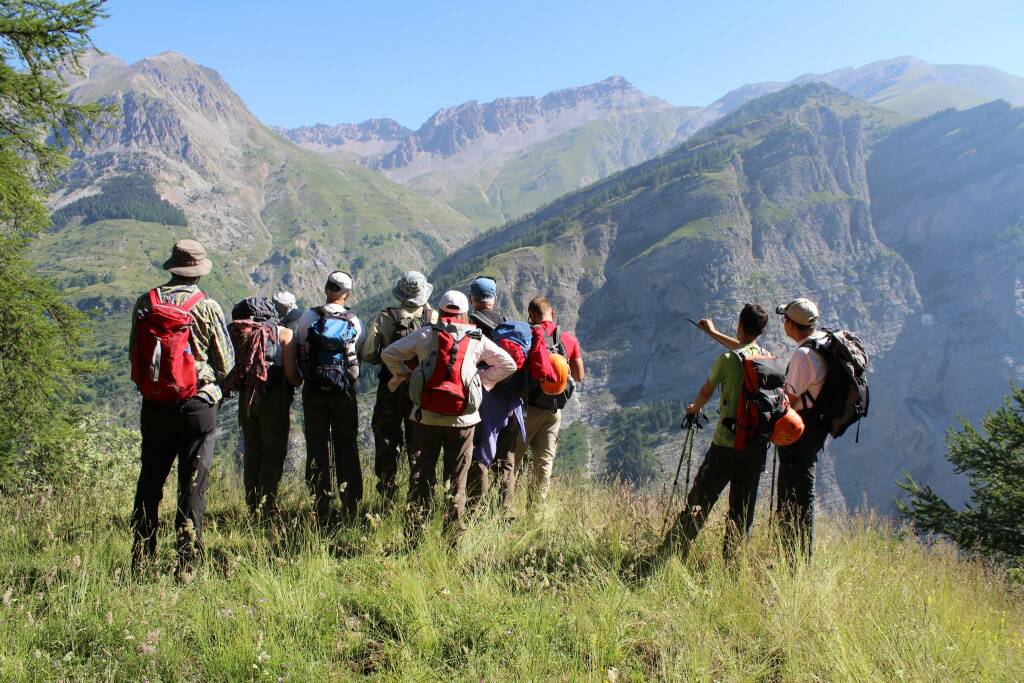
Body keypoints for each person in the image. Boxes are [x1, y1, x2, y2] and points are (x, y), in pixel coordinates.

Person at [128, 239, 234, 581]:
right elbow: (227, 363)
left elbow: (135, 355)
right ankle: (186, 564)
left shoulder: (147, 303)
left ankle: (141, 560)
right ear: (198, 273)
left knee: (150, 480)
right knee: (192, 484)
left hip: (156, 404)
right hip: (197, 405)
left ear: (172, 267)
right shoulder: (207, 307)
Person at [381, 290, 516, 539]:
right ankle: (453, 537)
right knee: (457, 480)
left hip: (426, 417)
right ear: (465, 314)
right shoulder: (476, 339)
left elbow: (388, 354)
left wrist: (407, 377)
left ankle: (415, 536)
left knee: (421, 475)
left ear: (441, 312)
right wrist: (481, 382)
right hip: (463, 420)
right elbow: (509, 364)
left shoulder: (426, 334)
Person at [658, 304, 771, 560]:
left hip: (727, 443)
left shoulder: (727, 360)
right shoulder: (766, 357)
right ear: (761, 331)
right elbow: (742, 349)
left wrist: (693, 409)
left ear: (740, 325)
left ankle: (672, 553)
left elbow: (707, 390)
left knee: (701, 498)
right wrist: (713, 332)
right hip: (755, 446)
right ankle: (733, 564)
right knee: (742, 510)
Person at [358, 271, 436, 504]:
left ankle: (387, 494)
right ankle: (419, 496)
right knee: (419, 442)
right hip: (421, 390)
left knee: (387, 440)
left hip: (390, 388)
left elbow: (369, 354)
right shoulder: (432, 318)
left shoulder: (386, 316)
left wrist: (389, 358)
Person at [294, 271, 363, 525]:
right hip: (343, 391)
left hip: (314, 391)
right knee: (347, 444)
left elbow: (302, 347)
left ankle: (320, 503)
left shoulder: (308, 317)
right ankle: (351, 503)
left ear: (326, 289)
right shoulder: (354, 320)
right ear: (347, 294)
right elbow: (359, 351)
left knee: (316, 444)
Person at [226, 296, 302, 519]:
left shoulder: (242, 333)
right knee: (273, 451)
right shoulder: (284, 334)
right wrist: (300, 380)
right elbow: (291, 374)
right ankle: (268, 506)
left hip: (247, 398)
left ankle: (252, 505)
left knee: (252, 451)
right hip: (274, 398)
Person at [512, 296, 585, 510]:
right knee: (544, 462)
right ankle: (536, 513)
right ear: (553, 313)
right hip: (553, 410)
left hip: (527, 409)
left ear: (532, 315)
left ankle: (502, 507)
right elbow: (579, 375)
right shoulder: (568, 339)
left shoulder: (529, 335)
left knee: (512, 459)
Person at [775, 297, 829, 560]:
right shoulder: (823, 343)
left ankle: (794, 555)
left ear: (790, 324)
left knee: (795, 491)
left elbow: (790, 399)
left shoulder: (802, 355)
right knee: (800, 490)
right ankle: (795, 553)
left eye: (784, 319)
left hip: (800, 433)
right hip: (818, 427)